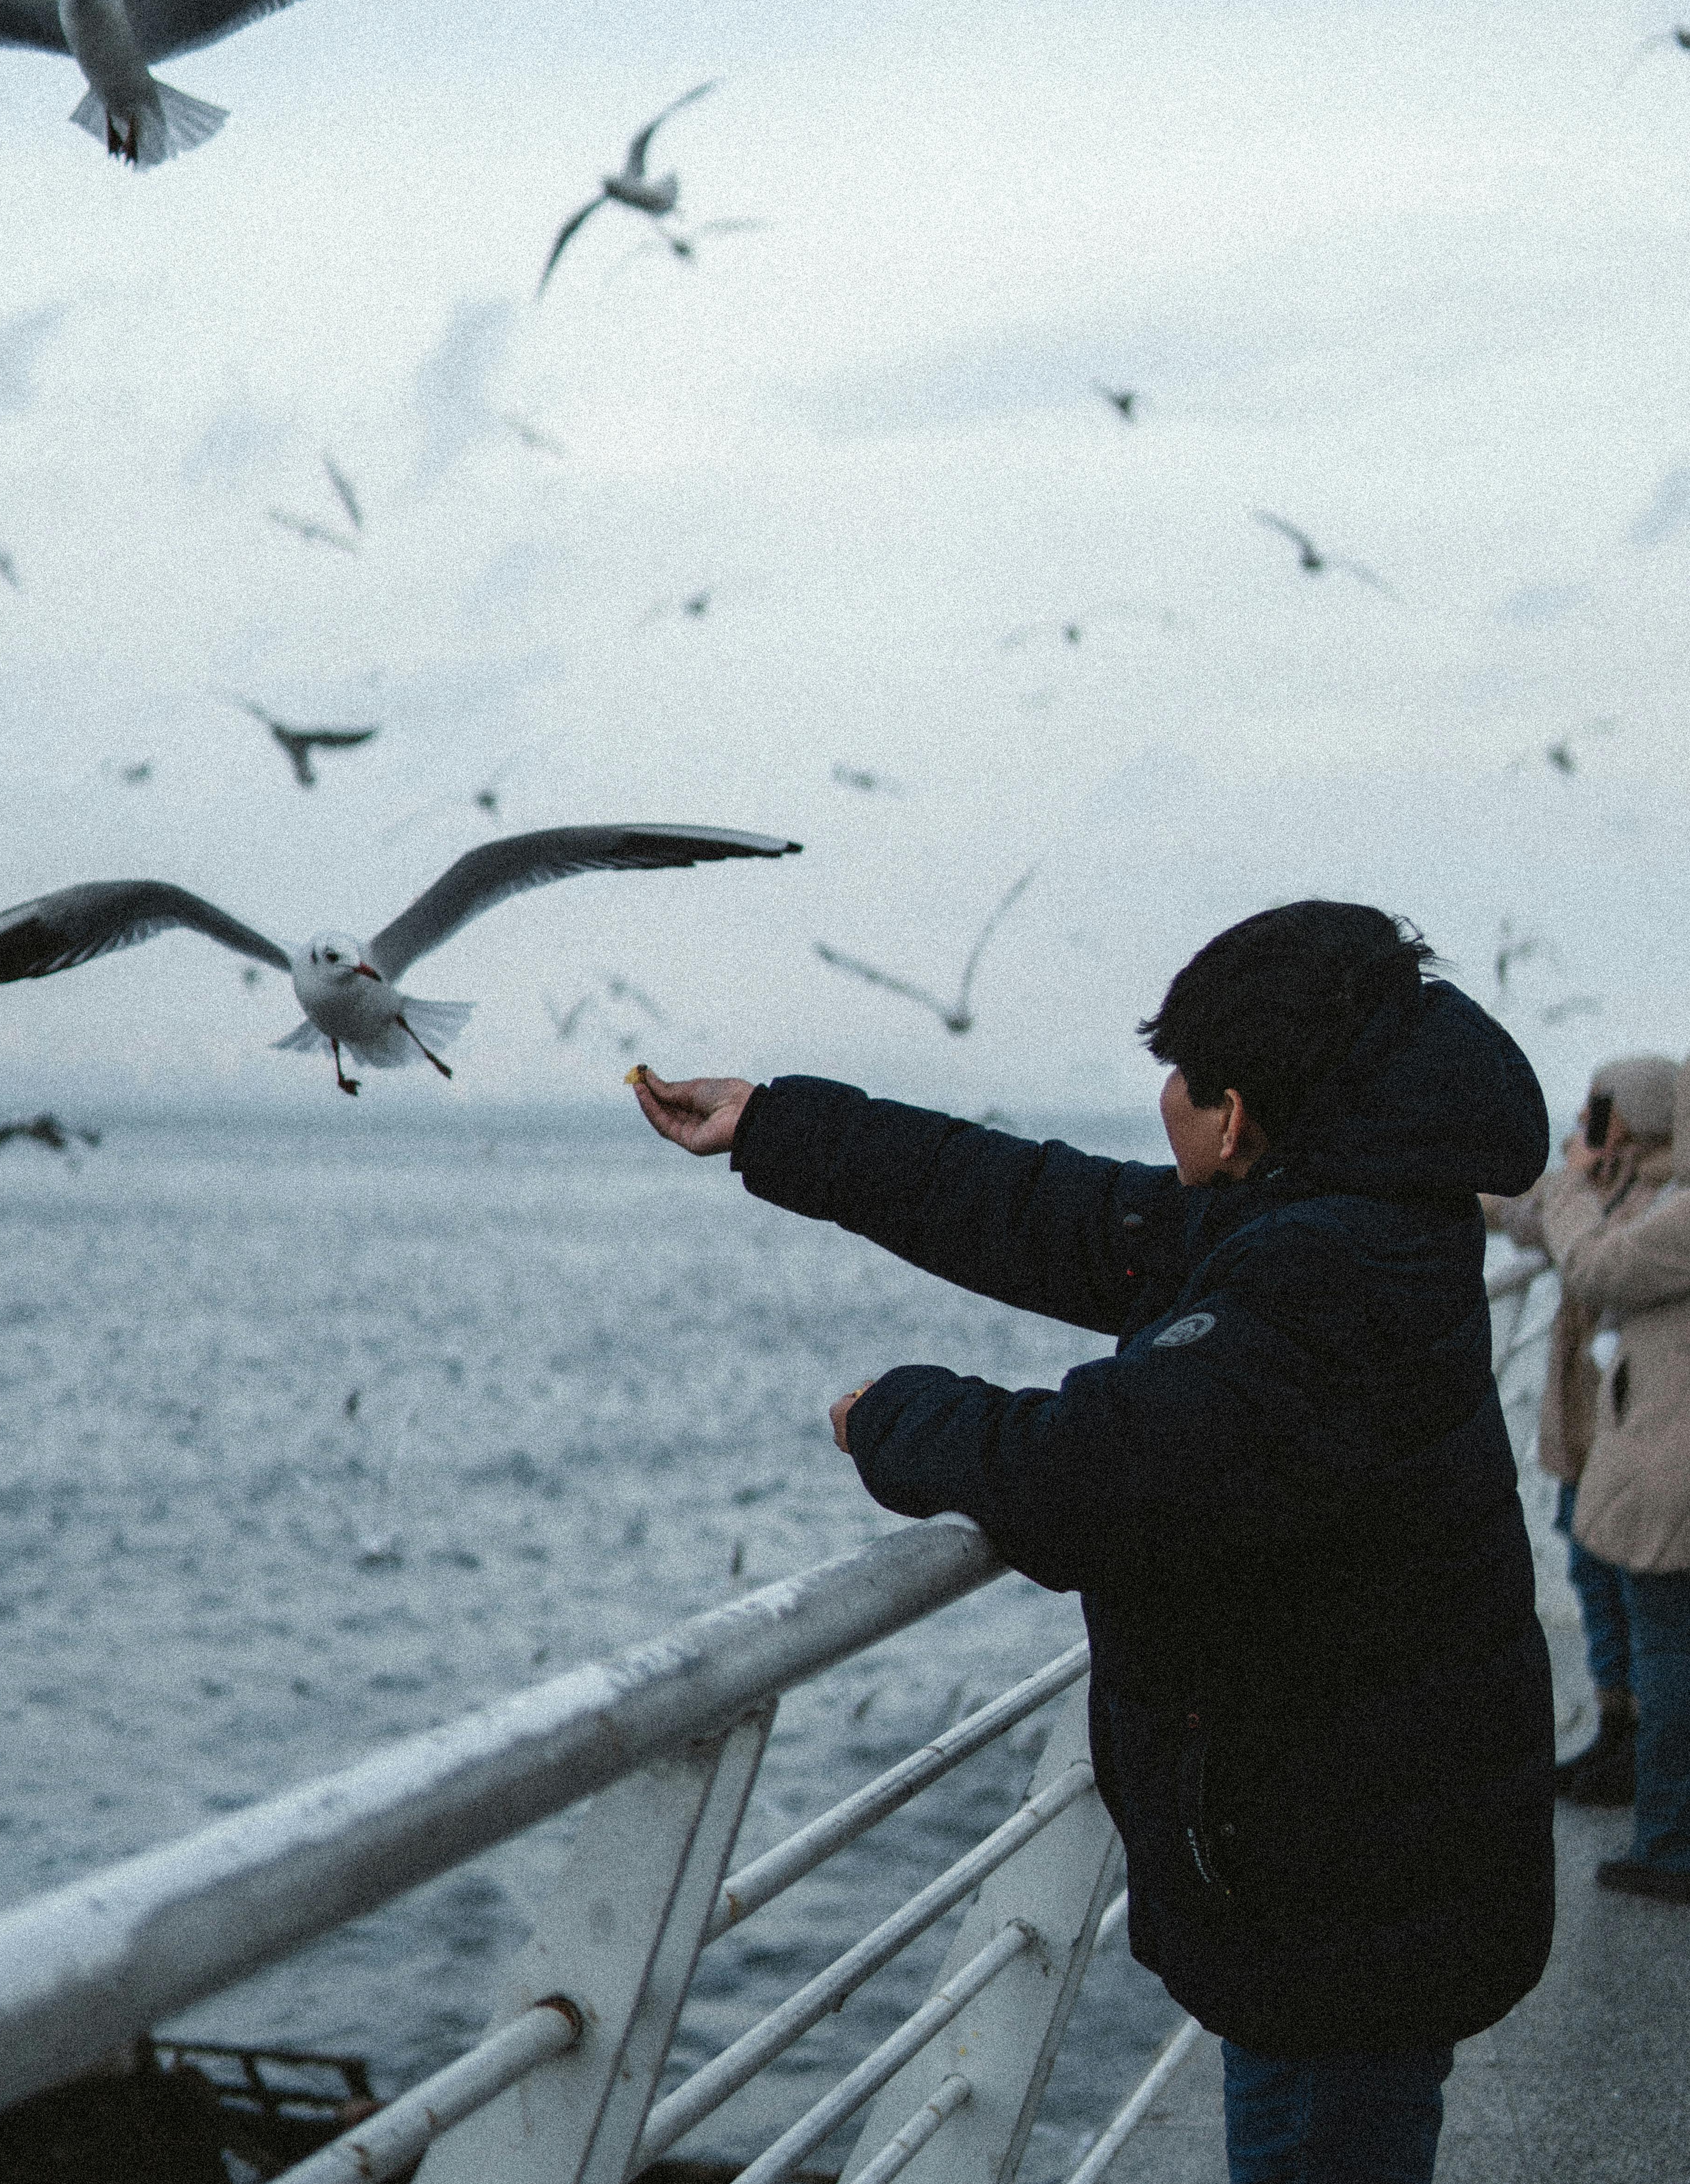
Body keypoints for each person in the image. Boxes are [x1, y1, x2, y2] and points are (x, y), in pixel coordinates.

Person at [631, 899, 1556, 2184]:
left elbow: (1090, 1472)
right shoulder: (1354, 1217)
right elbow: (1047, 1209)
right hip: (1372, 1851)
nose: (1165, 1101)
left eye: (1179, 1078)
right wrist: (780, 1126)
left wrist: (892, 1416)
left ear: (1232, 1115)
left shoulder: (1323, 1277)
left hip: (1343, 1887)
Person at [1482, 1054, 1678, 1806]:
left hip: (1629, 1432)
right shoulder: (1609, 1184)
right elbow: (1531, 1214)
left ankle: (1640, 1751)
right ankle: (1617, 1730)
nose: (1588, 1121)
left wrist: (1571, 1184)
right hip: (1588, 1429)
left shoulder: (1660, 1198)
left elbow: (1593, 1256)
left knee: (1633, 1598)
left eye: (1602, 1106)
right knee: (1599, 1588)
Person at [1539, 1056, 1690, 1905]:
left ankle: (1669, 1846)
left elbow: (1597, 1270)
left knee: (1669, 1655)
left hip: (1673, 1469)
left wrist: (1568, 1186)